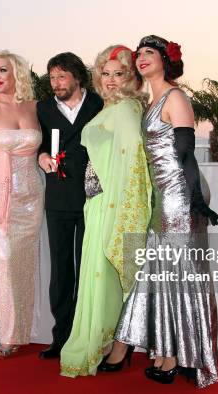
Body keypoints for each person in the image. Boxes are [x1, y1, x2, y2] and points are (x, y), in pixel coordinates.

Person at [105, 35, 218, 388]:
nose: (141, 58)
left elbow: (186, 153)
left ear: (165, 60)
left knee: (178, 273)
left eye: (149, 53)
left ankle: (176, 357)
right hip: (161, 196)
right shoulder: (150, 98)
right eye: (139, 53)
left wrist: (197, 202)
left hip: (180, 196)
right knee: (161, 273)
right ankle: (166, 350)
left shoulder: (175, 96)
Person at [59, 45, 151, 377]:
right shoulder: (110, 108)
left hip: (110, 205)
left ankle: (118, 345)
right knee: (100, 278)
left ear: (132, 77)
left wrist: (120, 213)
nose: (110, 80)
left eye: (119, 74)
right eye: (106, 74)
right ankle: (113, 342)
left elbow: (132, 165)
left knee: (108, 277)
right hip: (96, 203)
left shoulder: (125, 109)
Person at [0, 50, 43, 358]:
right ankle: (8, 333)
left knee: (25, 263)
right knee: (4, 261)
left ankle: (28, 329)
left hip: (32, 192)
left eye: (3, 70)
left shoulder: (34, 106)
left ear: (18, 73)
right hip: (0, 196)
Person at [36, 52, 103, 359]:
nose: (56, 83)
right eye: (52, 77)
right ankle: (61, 337)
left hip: (95, 198)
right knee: (62, 271)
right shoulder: (44, 108)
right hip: (59, 197)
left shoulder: (99, 105)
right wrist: (41, 157)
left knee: (90, 270)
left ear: (78, 77)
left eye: (61, 76)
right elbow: (39, 144)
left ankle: (89, 336)